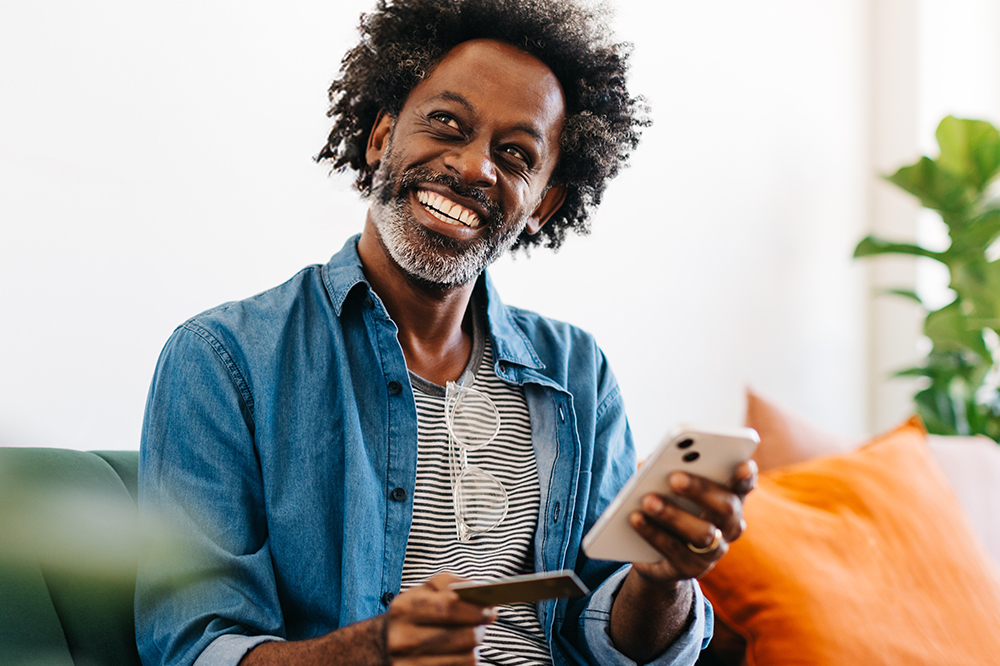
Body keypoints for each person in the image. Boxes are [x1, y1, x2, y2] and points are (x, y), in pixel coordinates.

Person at [135, 1, 756, 665]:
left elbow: (613, 641)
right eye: (446, 123)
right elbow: (195, 647)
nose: (475, 167)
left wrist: (665, 581)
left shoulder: (578, 371)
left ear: (542, 203)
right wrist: (378, 652)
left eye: (515, 154)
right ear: (381, 135)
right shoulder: (225, 360)